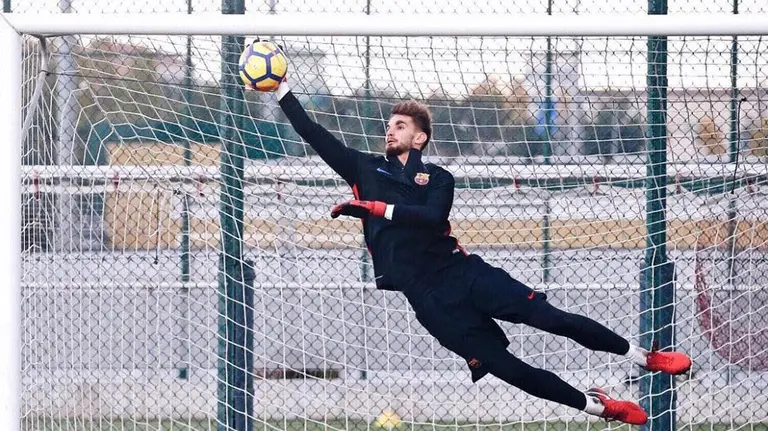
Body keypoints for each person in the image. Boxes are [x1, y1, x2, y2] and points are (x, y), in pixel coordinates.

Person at [261, 77, 691, 426]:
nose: (390, 129)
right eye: (389, 124)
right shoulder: (361, 168)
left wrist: (373, 208)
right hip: (429, 300)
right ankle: (599, 407)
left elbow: (429, 219)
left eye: (400, 125)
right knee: (510, 369)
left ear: (420, 137)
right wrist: (281, 89)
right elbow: (313, 132)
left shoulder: (439, 177)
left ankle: (645, 357)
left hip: (463, 273)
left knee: (550, 318)